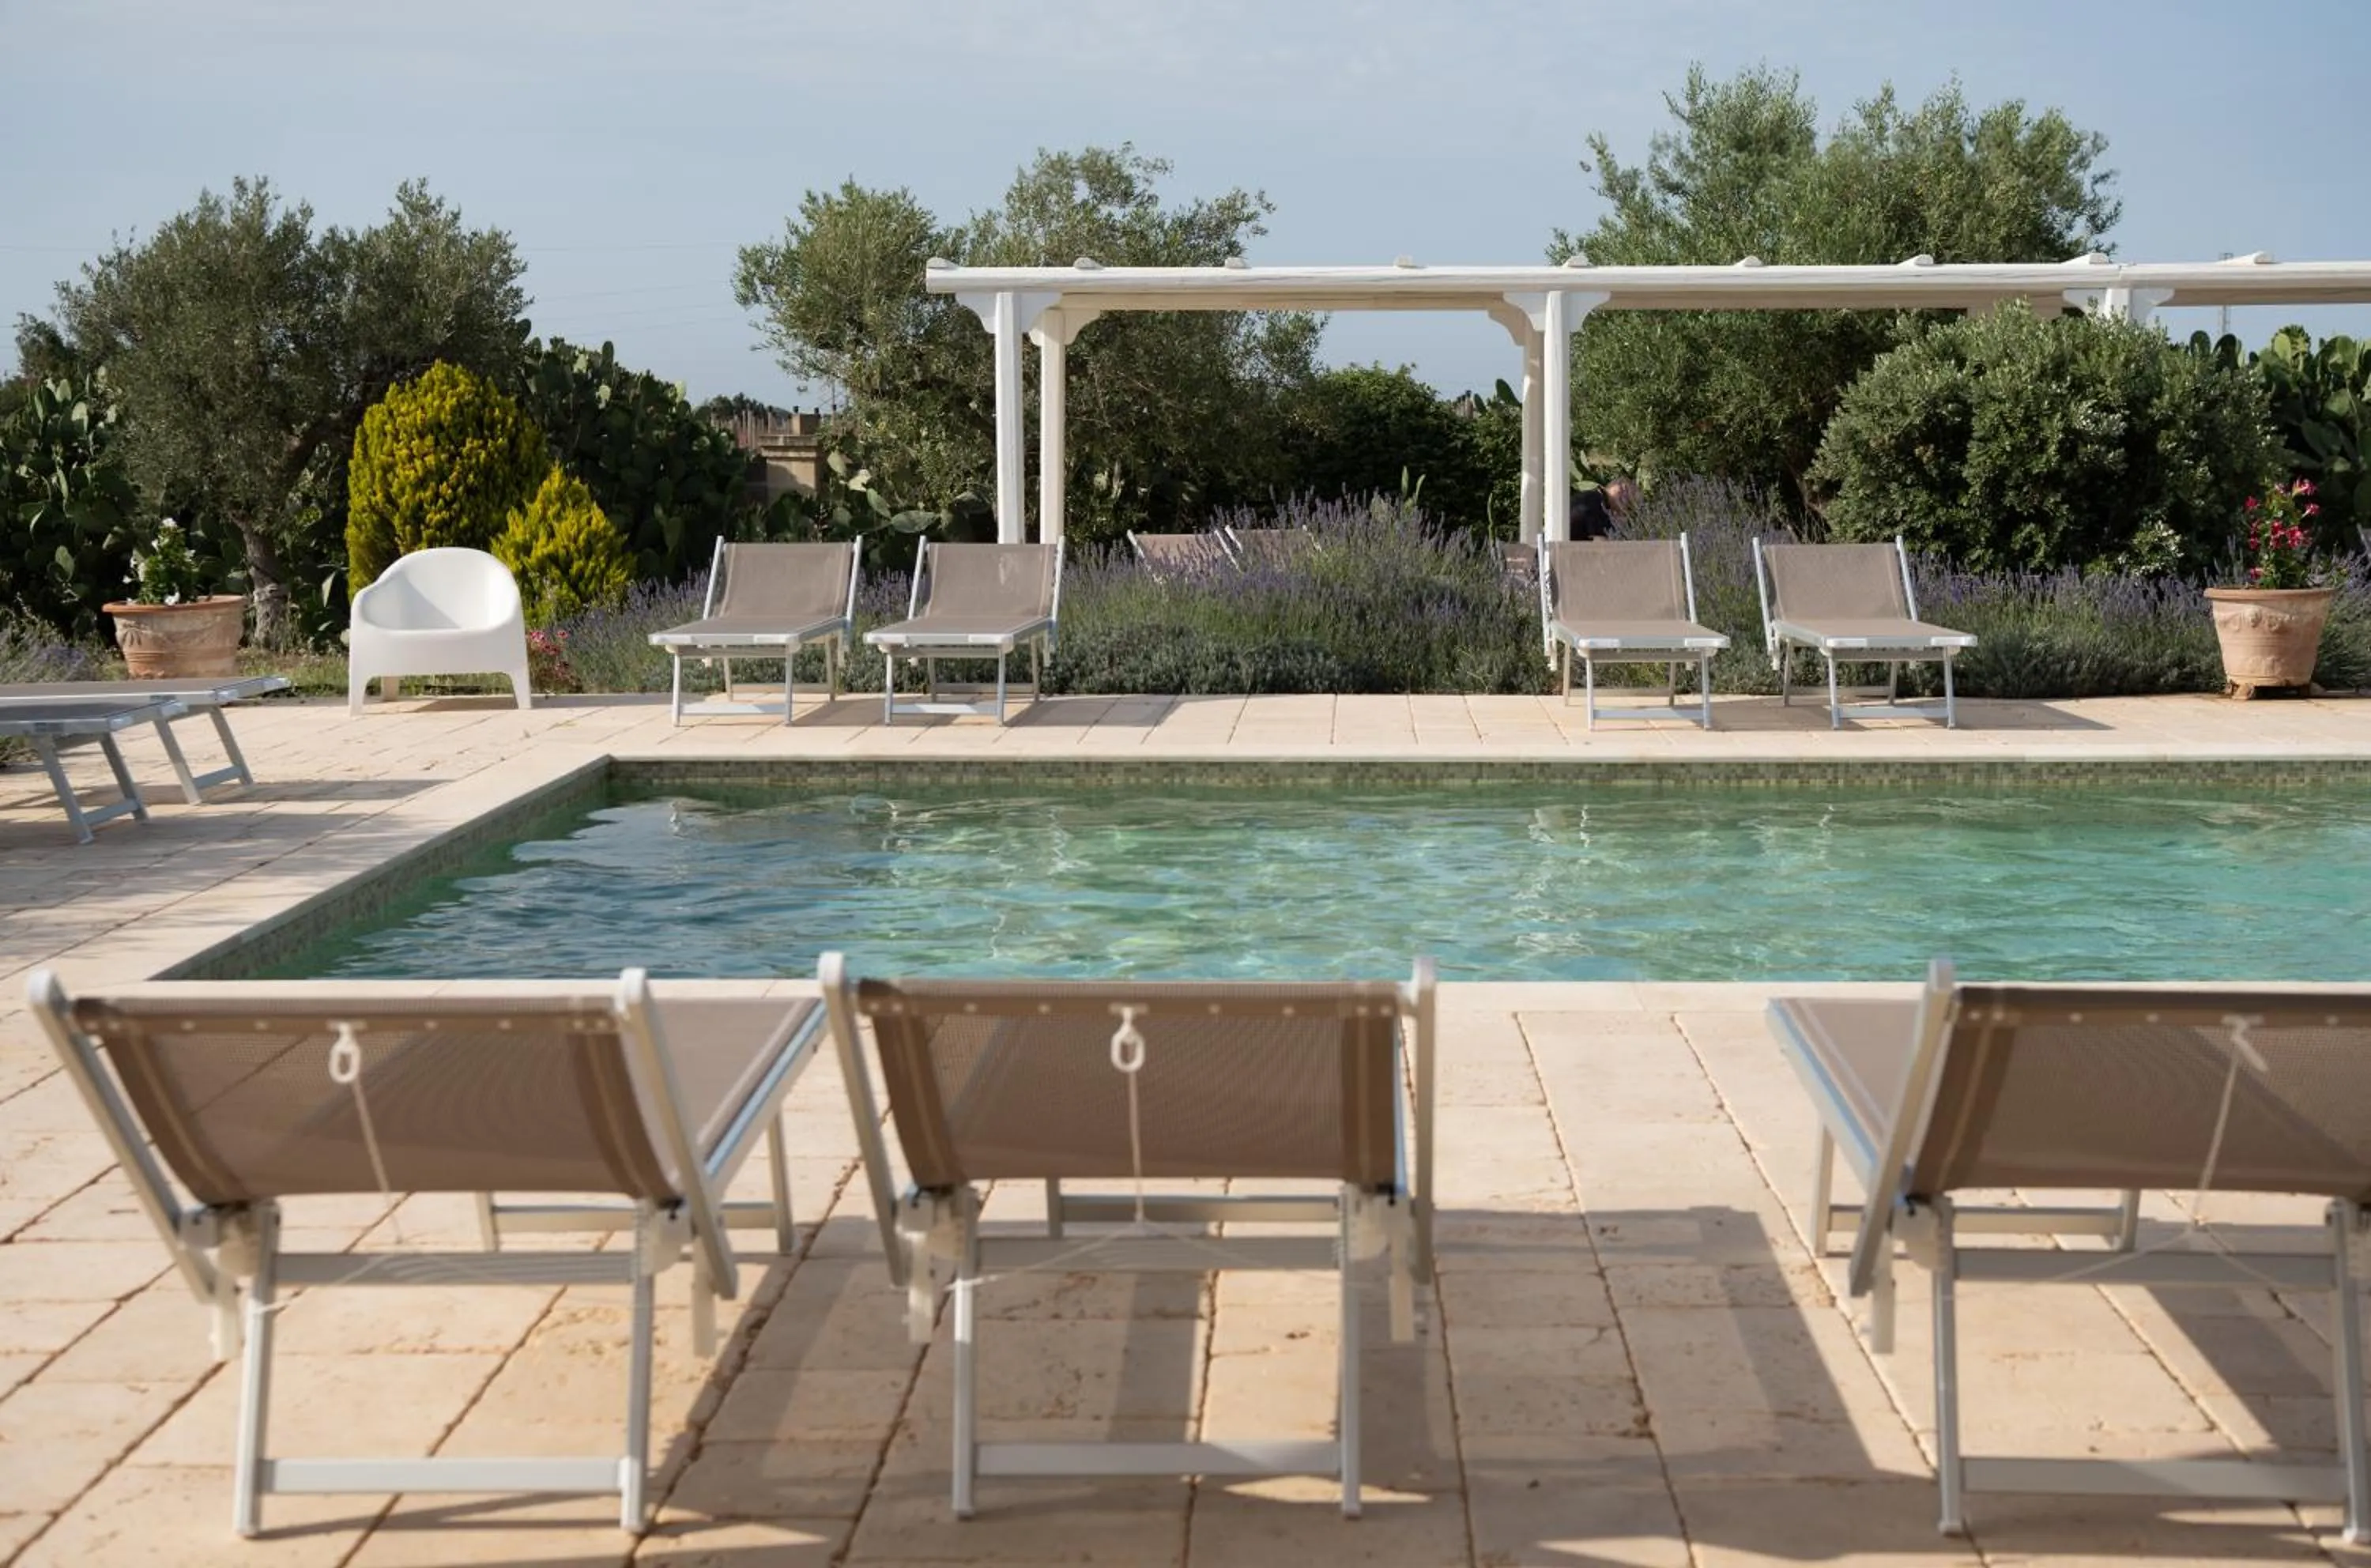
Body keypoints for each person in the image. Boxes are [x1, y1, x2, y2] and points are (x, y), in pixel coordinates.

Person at [1566, 477, 1637, 541]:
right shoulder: (1596, 500)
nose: (1623, 493)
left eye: (1627, 497)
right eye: (1623, 488)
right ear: (1612, 484)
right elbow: (1600, 542)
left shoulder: (1603, 507)